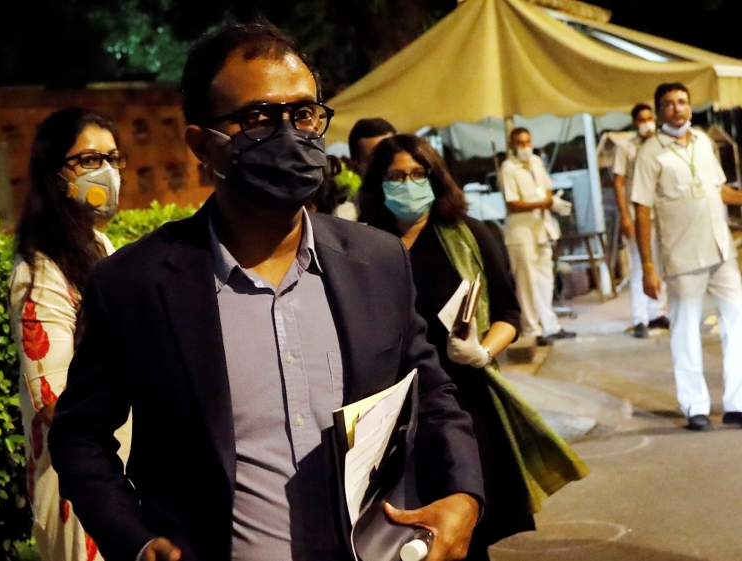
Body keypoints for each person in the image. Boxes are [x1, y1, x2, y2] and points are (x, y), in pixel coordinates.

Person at [49, 21, 484, 561]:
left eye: (303, 114)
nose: (289, 135)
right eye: (257, 117)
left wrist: (464, 497)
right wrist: (135, 542)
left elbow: (433, 393)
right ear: (200, 144)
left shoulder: (375, 260)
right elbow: (79, 436)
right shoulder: (136, 285)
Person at [359, 135, 586, 560]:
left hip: (461, 404)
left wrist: (483, 350)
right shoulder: (364, 245)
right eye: (395, 176)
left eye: (416, 174)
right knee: (402, 532)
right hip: (390, 410)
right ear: (378, 185)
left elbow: (508, 314)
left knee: (463, 530)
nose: (407, 184)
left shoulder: (467, 235)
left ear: (434, 177)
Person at [9, 108, 132, 561]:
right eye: (87, 159)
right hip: (80, 490)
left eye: (112, 157)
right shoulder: (40, 272)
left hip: (120, 474)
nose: (105, 171)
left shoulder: (101, 247)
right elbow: (54, 403)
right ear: (53, 173)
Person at [632, 82, 742, 432]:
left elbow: (718, 191)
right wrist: (648, 267)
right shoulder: (650, 153)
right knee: (685, 331)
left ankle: (737, 403)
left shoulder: (704, 142)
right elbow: (642, 212)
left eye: (682, 102)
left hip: (721, 250)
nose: (676, 108)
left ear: (690, 107)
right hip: (683, 257)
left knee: (738, 325)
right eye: (668, 104)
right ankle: (695, 405)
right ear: (659, 110)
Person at [499, 128, 576, 346]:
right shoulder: (508, 167)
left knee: (545, 279)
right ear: (512, 146)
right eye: (520, 143)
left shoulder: (535, 163)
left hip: (541, 229)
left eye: (527, 142)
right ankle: (532, 329)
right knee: (527, 282)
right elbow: (512, 203)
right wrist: (544, 203)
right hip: (521, 233)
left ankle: (550, 326)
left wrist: (549, 202)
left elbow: (548, 189)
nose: (525, 147)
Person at [613, 103, 669, 338]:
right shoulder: (626, 148)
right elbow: (618, 182)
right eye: (642, 119)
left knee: (660, 264)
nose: (647, 123)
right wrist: (625, 215)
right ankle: (640, 318)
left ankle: (656, 311)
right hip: (638, 216)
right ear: (635, 122)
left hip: (661, 214)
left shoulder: (662, 144)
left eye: (650, 118)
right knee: (639, 266)